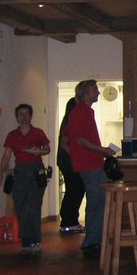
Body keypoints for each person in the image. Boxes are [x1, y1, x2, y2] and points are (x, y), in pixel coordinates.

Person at [65, 79, 116, 259]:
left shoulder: (84, 111)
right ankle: (93, 241)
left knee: (98, 201)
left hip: (91, 163)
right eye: (95, 89)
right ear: (85, 93)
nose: (98, 92)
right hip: (89, 164)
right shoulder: (81, 112)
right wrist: (102, 150)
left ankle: (94, 240)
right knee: (98, 202)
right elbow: (79, 140)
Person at [0, 103, 51, 255]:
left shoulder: (38, 133)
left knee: (34, 207)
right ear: (17, 117)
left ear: (31, 116)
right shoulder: (12, 135)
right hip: (20, 172)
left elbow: (47, 149)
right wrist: (0, 173)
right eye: (21, 114)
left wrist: (38, 151)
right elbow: (6, 155)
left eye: (27, 114)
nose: (24, 117)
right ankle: (25, 240)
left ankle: (35, 240)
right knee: (20, 207)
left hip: (37, 172)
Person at [56, 97, 85, 234]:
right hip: (70, 162)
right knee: (75, 190)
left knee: (72, 190)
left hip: (65, 162)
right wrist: (75, 156)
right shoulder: (70, 122)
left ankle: (69, 220)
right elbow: (65, 144)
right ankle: (70, 221)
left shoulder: (66, 121)